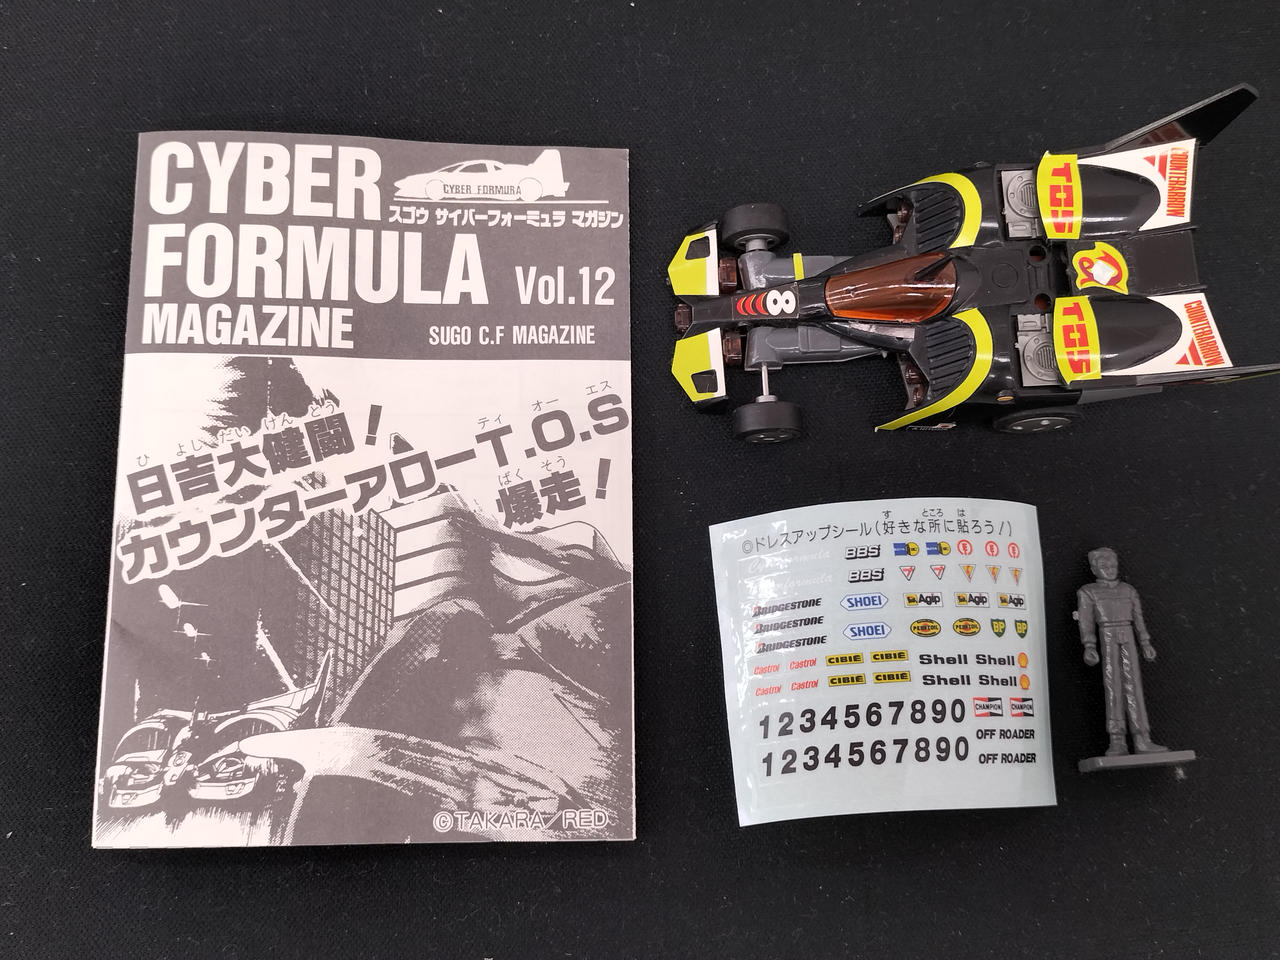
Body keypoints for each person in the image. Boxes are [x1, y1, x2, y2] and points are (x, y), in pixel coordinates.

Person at [1076, 547, 1168, 757]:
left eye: (1113, 565)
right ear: (1094, 569)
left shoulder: (1128, 591)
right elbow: (1085, 621)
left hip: (1128, 636)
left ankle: (1142, 738)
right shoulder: (1088, 592)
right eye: (1104, 566)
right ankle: (1117, 740)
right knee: (1112, 686)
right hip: (1107, 637)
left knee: (1134, 686)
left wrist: (1145, 642)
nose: (1110, 569)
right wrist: (1089, 645)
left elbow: (1139, 619)